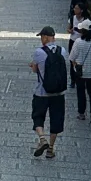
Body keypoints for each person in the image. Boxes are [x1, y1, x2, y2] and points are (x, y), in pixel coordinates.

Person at [31, 25, 68, 158]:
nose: (41, 39)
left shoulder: (39, 52)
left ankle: (42, 139)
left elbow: (35, 69)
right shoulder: (62, 51)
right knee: (56, 120)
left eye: (42, 37)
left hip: (42, 93)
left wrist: (33, 65)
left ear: (46, 37)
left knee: (38, 116)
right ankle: (51, 149)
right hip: (58, 93)